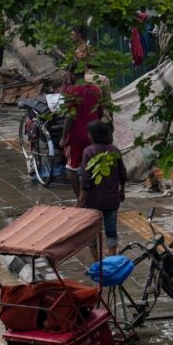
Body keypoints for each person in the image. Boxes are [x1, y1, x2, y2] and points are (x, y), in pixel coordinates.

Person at [78, 121, 126, 261]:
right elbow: (122, 174)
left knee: (92, 232)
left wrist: (81, 201)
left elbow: (85, 181)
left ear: (93, 135)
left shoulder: (88, 152)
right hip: (111, 199)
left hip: (93, 201)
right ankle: (111, 259)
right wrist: (122, 191)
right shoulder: (114, 150)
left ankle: (97, 263)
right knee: (111, 230)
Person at [60, 68, 104, 199]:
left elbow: (69, 116)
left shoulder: (71, 91)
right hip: (94, 135)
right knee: (94, 166)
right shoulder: (96, 89)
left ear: (73, 74)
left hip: (76, 136)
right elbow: (100, 112)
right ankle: (95, 195)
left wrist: (63, 137)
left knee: (71, 168)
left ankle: (80, 199)